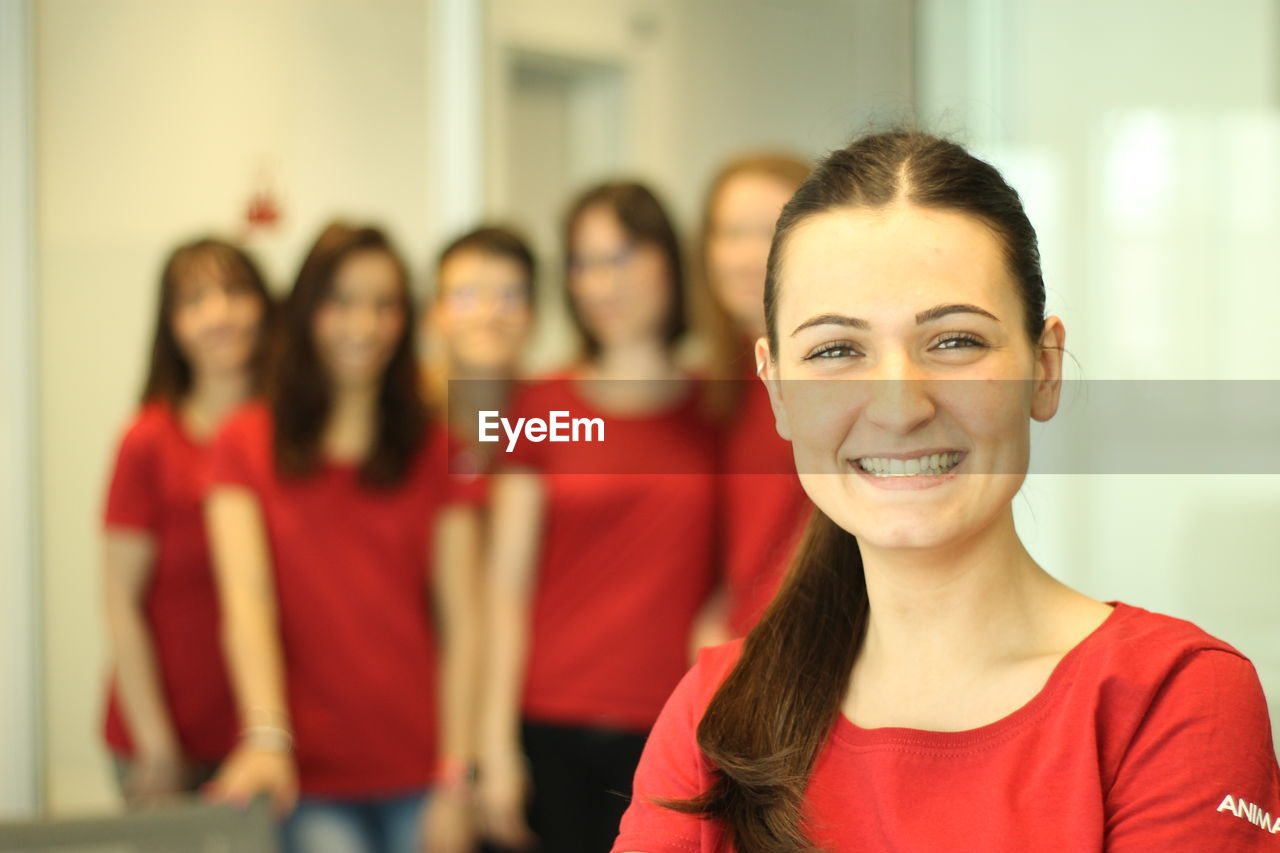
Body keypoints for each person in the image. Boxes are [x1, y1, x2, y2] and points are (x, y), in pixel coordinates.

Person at [612, 131, 1280, 852]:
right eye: (837, 350)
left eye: (955, 341)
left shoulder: (1171, 700)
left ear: (1044, 368)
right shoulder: (717, 711)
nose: (899, 406)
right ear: (776, 388)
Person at [203, 223, 477, 853]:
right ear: (305, 313)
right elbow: (247, 604)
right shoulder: (244, 442)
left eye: (385, 305)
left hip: (421, 770)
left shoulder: (437, 446)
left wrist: (457, 773)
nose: (365, 325)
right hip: (307, 778)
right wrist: (268, 737)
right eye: (342, 302)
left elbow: (465, 620)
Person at [477, 183, 719, 853]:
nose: (600, 282)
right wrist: (493, 744)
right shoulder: (543, 402)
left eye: (621, 256)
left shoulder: (715, 407)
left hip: (675, 727)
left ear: (669, 261)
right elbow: (504, 588)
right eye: (583, 263)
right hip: (548, 722)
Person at [101, 237, 272, 806]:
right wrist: (157, 743)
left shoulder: (292, 438)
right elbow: (120, 599)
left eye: (234, 292)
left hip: (274, 736)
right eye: (195, 300)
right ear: (171, 326)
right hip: (166, 737)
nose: (219, 313)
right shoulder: (147, 441)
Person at [696, 153, 813, 641]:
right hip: (737, 652)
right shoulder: (723, 382)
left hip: (800, 648)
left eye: (768, 232)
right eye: (730, 233)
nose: (745, 255)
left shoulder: (832, 380)